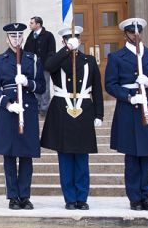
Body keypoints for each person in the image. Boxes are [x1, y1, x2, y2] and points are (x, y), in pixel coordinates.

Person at [105, 18, 148, 211]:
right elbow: (110, 85)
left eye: (138, 32)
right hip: (129, 110)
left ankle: (146, 195)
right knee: (132, 157)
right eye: (132, 32)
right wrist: (129, 97)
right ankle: (134, 197)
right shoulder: (117, 57)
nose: (136, 35)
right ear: (125, 34)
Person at [41, 26, 103, 210]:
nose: (72, 41)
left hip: (83, 110)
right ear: (64, 42)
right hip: (62, 110)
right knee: (65, 158)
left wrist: (99, 114)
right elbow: (48, 66)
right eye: (68, 39)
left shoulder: (89, 60)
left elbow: (97, 89)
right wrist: (67, 50)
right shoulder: (57, 58)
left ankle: (82, 197)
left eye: (75, 39)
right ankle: (69, 198)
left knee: (82, 158)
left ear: (80, 41)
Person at [0, 22, 45, 210]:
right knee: (10, 155)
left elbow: (42, 86)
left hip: (27, 109)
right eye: (13, 36)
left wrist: (28, 82)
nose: (17, 40)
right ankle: (13, 196)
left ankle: (25, 196)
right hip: (8, 111)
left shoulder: (32, 59)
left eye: (20, 36)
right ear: (7, 38)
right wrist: (7, 104)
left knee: (26, 155)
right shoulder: (0, 60)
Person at [23, 16, 56, 114]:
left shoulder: (48, 35)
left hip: (45, 66)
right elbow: (26, 51)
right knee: (35, 85)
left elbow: (52, 51)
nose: (30, 24)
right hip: (33, 66)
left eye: (32, 23)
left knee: (45, 86)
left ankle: (44, 108)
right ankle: (36, 106)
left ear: (38, 24)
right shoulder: (30, 36)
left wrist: (48, 63)